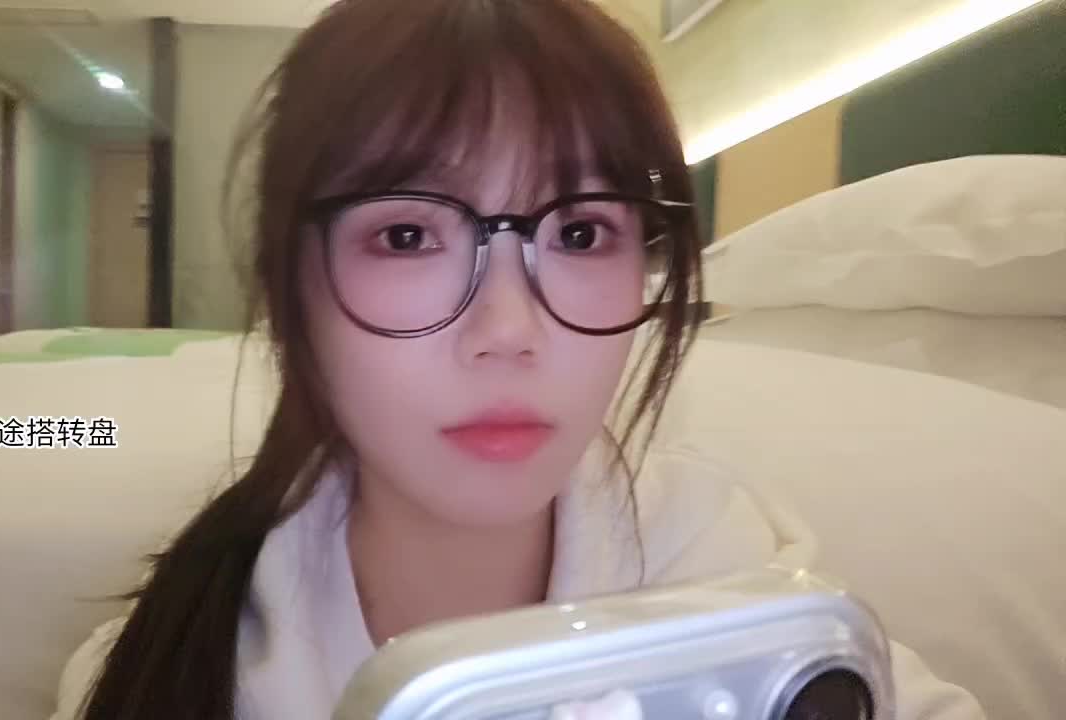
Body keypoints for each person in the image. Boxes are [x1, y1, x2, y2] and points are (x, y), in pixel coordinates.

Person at [51, 1, 985, 718]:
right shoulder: (168, 668)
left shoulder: (732, 586)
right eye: (409, 235)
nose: (508, 329)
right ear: (288, 286)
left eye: (580, 232)